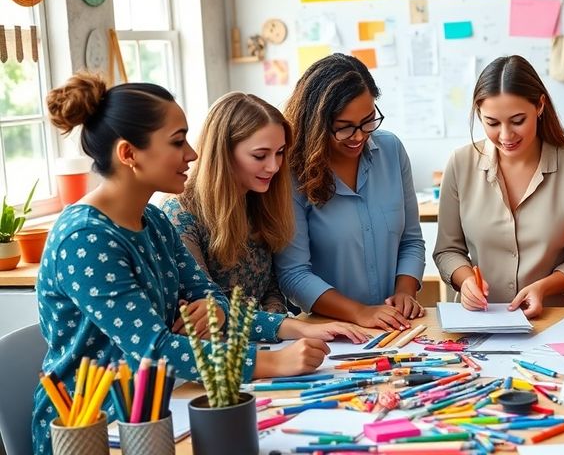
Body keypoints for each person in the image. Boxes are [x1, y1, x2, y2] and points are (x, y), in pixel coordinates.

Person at [33, 74, 368, 455]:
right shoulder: (86, 238)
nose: (192, 154)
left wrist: (289, 331)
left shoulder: (154, 222)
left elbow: (218, 306)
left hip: (160, 406)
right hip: (97, 427)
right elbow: (155, 349)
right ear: (129, 154)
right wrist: (272, 363)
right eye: (177, 142)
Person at [433, 55, 564, 318]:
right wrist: (465, 280)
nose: (506, 135)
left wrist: (544, 288)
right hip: (481, 319)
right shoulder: (461, 162)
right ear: (479, 114)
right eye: (492, 123)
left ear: (540, 106)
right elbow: (447, 250)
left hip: (554, 318)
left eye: (517, 120)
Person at [276, 54, 426, 330]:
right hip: (331, 332)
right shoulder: (291, 173)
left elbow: (411, 240)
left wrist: (405, 291)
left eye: (368, 121)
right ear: (316, 124)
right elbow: (294, 274)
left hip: (394, 326)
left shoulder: (391, 150)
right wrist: (360, 313)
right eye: (344, 128)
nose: (359, 136)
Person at [162, 93, 297, 314]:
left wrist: (278, 320)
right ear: (223, 154)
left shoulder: (259, 199)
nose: (274, 166)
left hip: (270, 342)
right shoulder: (180, 212)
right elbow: (210, 311)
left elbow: (272, 288)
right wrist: (282, 328)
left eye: (280, 153)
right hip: (221, 346)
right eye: (260, 156)